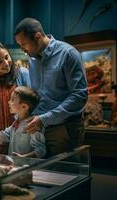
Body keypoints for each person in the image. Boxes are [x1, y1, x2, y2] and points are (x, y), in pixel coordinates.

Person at [14, 18, 88, 157]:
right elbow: (37, 95)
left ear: (37, 36)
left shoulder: (68, 54)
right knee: (41, 174)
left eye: (23, 44)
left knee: (65, 174)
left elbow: (80, 96)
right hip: (39, 128)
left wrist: (45, 119)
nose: (22, 49)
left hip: (64, 128)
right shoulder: (32, 59)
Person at [0, 86, 46, 158]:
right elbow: (2, 136)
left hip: (27, 167)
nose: (9, 102)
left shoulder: (33, 125)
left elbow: (40, 151)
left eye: (12, 100)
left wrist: (24, 157)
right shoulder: (16, 122)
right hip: (15, 166)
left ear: (24, 106)